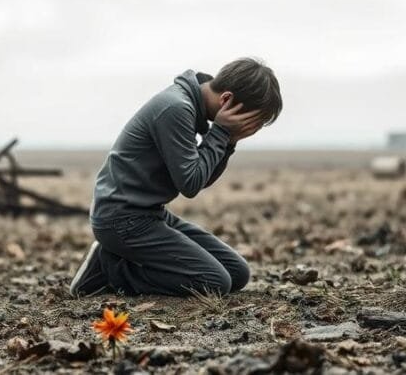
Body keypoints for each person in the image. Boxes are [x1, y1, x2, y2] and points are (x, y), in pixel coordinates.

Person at [69, 58, 282, 297]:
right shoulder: (176, 108)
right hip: (121, 219)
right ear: (227, 100)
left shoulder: (188, 106)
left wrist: (228, 142)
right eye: (252, 121)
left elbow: (201, 178)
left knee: (237, 273)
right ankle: (109, 270)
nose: (251, 129)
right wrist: (221, 132)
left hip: (149, 214)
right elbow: (190, 185)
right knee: (214, 282)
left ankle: (116, 257)